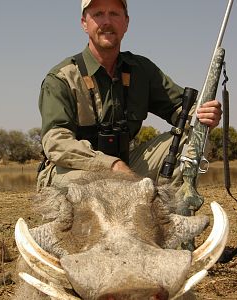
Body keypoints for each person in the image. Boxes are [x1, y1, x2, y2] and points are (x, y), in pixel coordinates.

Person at [37, 0, 222, 191]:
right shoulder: (61, 78)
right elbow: (56, 143)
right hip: (76, 169)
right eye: (98, 14)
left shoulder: (142, 70)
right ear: (84, 22)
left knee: (193, 137)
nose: (107, 21)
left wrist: (205, 115)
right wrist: (111, 165)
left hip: (128, 165)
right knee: (96, 187)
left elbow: (183, 112)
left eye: (114, 14)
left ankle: (174, 214)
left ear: (126, 23)